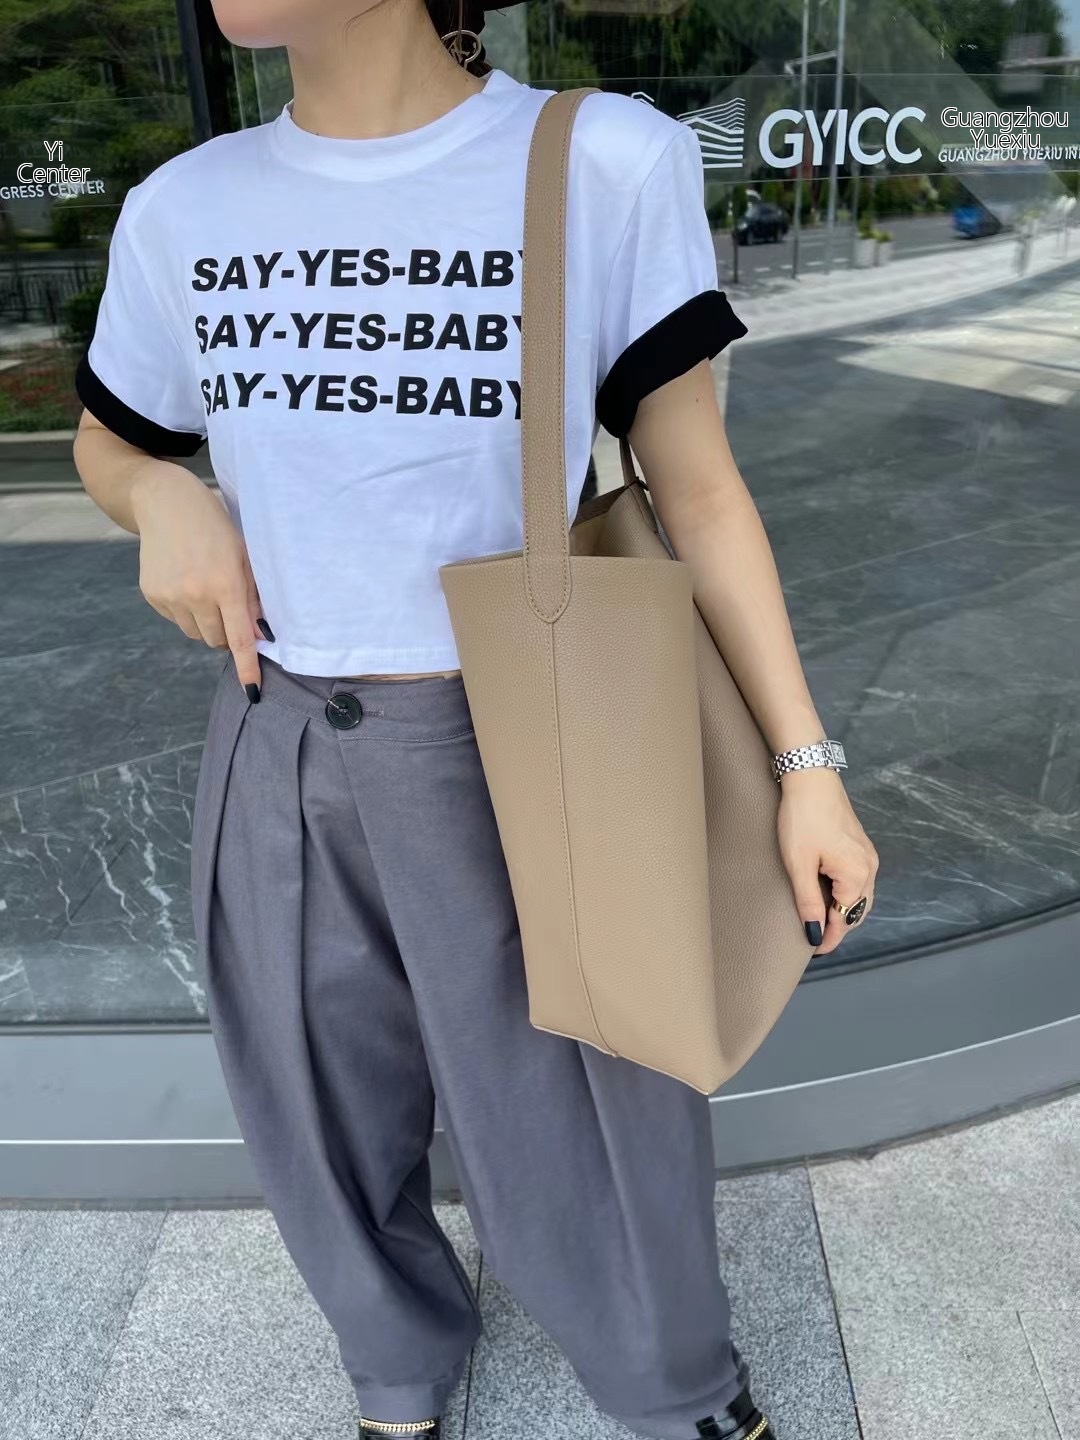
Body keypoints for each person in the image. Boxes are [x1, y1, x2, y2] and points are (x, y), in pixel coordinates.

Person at [71, 1, 879, 1438]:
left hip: (523, 724)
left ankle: (671, 1381)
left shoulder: (598, 159)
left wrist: (804, 766)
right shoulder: (186, 205)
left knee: (598, 1090)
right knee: (315, 1093)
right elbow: (108, 439)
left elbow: (696, 488)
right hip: (278, 726)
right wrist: (161, 495)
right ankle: (395, 1361)